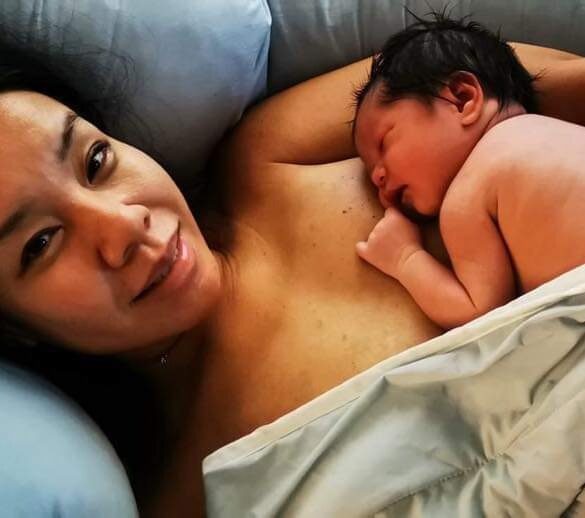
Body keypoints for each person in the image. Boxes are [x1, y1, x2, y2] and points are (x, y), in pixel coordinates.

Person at [0, 27, 584, 518]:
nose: (125, 225)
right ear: (14, 328)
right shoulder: (189, 498)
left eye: (96, 160)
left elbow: (498, 83)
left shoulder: (272, 155)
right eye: (40, 244)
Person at [353, 15, 585, 330]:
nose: (376, 177)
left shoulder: (469, 192)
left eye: (384, 142)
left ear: (462, 99)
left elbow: (479, 313)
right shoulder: (558, 130)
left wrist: (404, 257)